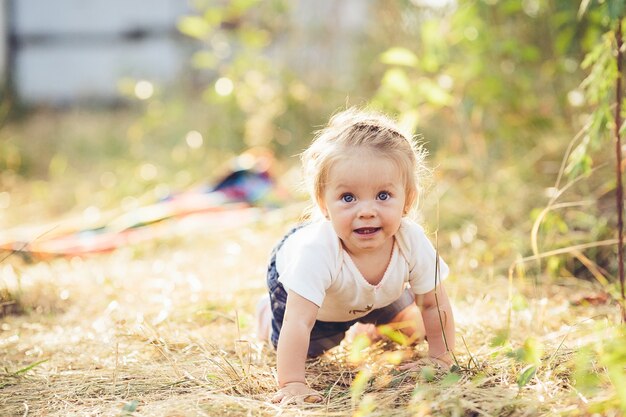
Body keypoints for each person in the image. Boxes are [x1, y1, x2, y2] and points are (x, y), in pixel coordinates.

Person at [256, 107, 456, 404]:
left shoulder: (411, 240)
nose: (366, 211)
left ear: (407, 200)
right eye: (348, 198)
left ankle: (367, 327)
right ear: (324, 204)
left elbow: (433, 302)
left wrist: (441, 358)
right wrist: (293, 382)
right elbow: (298, 322)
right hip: (314, 302)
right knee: (301, 348)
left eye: (383, 196)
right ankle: (262, 313)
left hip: (375, 295)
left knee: (413, 330)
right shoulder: (315, 252)